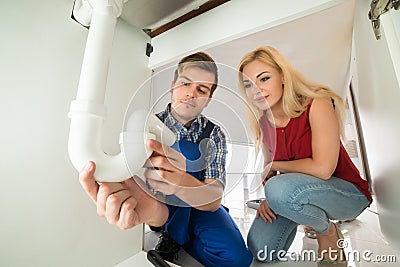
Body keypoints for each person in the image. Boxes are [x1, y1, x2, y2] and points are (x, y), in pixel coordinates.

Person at [79, 52, 253, 267]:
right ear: (172, 86)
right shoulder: (145, 125)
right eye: (185, 84)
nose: (191, 94)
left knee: (238, 260)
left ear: (208, 100)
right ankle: (175, 233)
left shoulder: (215, 134)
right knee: (187, 151)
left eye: (202, 90)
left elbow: (214, 194)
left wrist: (181, 182)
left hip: (202, 206)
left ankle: (181, 238)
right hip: (164, 209)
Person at [237, 46, 372, 266]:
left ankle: (326, 231)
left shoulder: (316, 102)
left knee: (278, 189)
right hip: (299, 192)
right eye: (248, 85)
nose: (256, 90)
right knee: (261, 248)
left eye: (263, 79)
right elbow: (268, 173)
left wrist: (275, 168)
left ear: (282, 76)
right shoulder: (262, 122)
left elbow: (323, 169)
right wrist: (268, 198)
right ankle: (309, 217)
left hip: (348, 194)